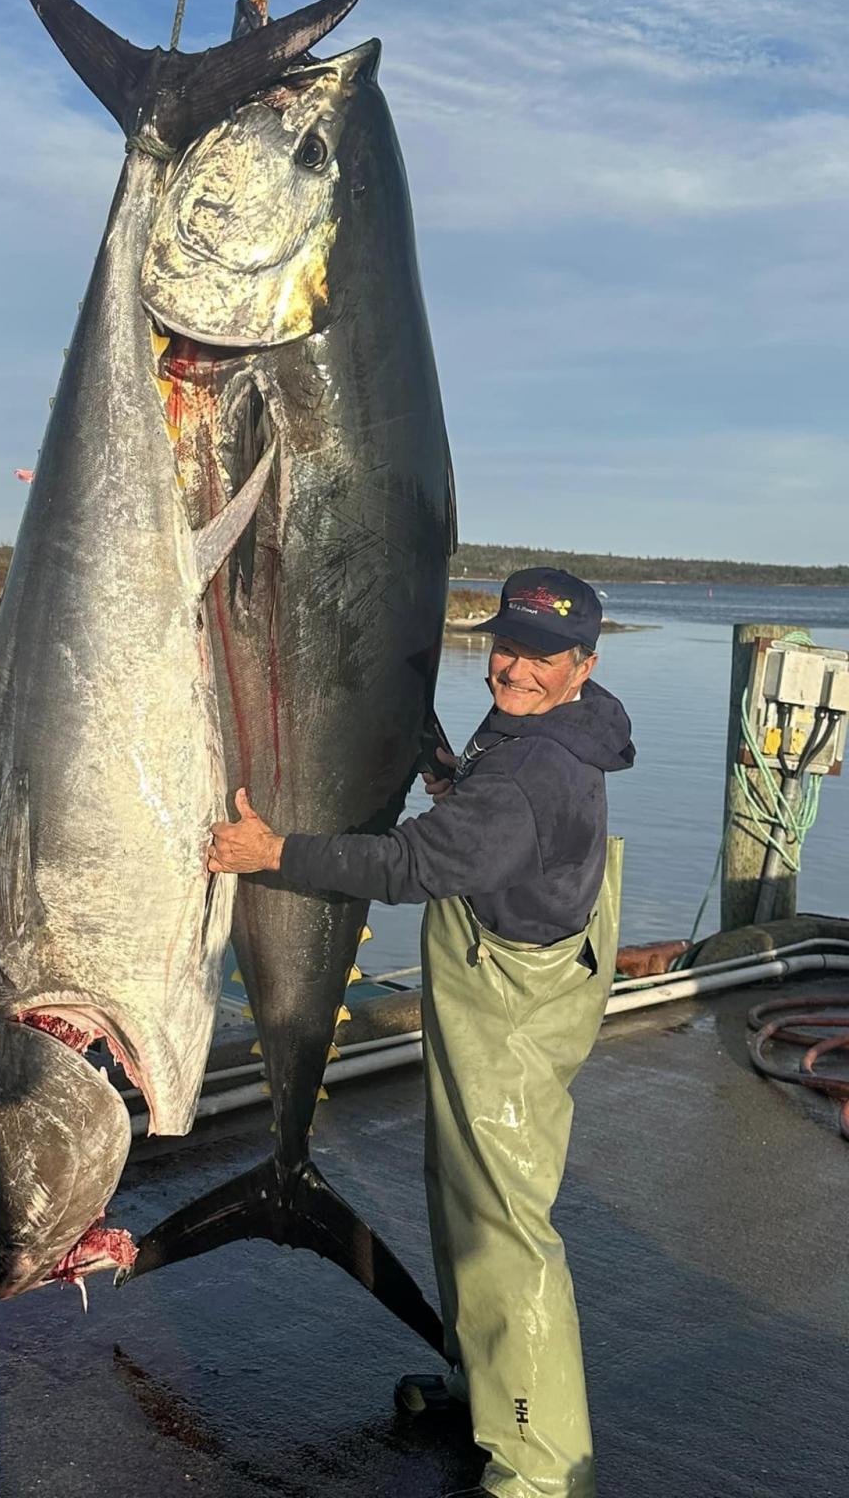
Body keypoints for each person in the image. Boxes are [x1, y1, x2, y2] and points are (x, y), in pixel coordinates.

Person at [207, 567, 634, 1498]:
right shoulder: (543, 725)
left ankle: (540, 1462)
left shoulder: (532, 774)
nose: (514, 668)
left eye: (542, 656)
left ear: (583, 665)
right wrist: (451, 774)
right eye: (507, 645)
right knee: (457, 1189)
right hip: (530, 955)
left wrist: (273, 852)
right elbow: (483, 815)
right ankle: (484, 1383)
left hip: (514, 1004)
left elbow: (408, 865)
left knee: (505, 1226)